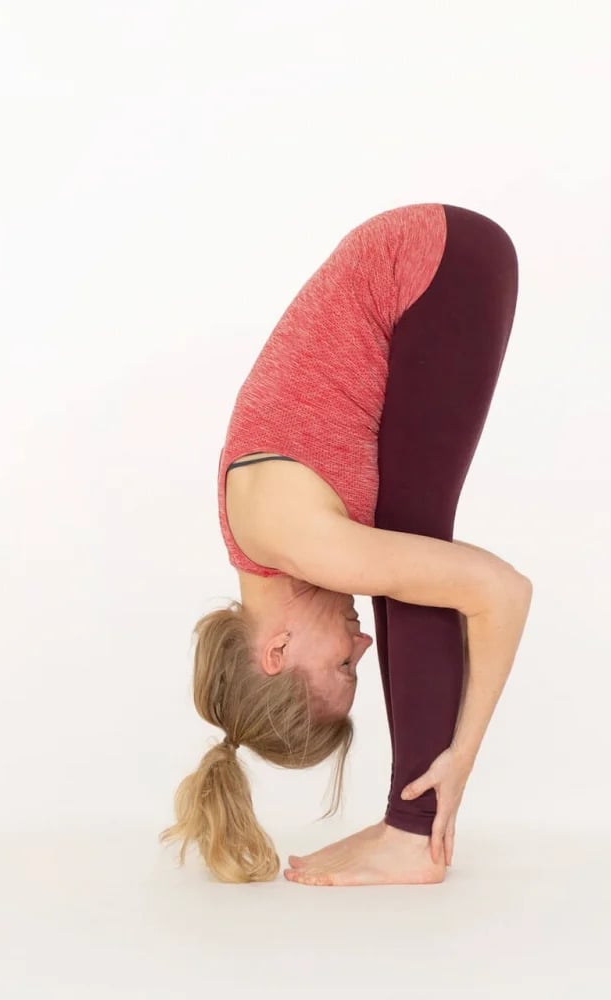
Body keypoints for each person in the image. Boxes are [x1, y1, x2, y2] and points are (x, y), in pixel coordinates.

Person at [159, 202, 532, 885]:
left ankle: (414, 833)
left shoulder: (300, 544)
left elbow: (503, 593)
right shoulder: (272, 545)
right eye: (361, 665)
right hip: (437, 265)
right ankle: (407, 827)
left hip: (438, 268)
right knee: (407, 562)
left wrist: (463, 755)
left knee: (414, 558)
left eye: (343, 670)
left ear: (275, 652)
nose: (359, 648)